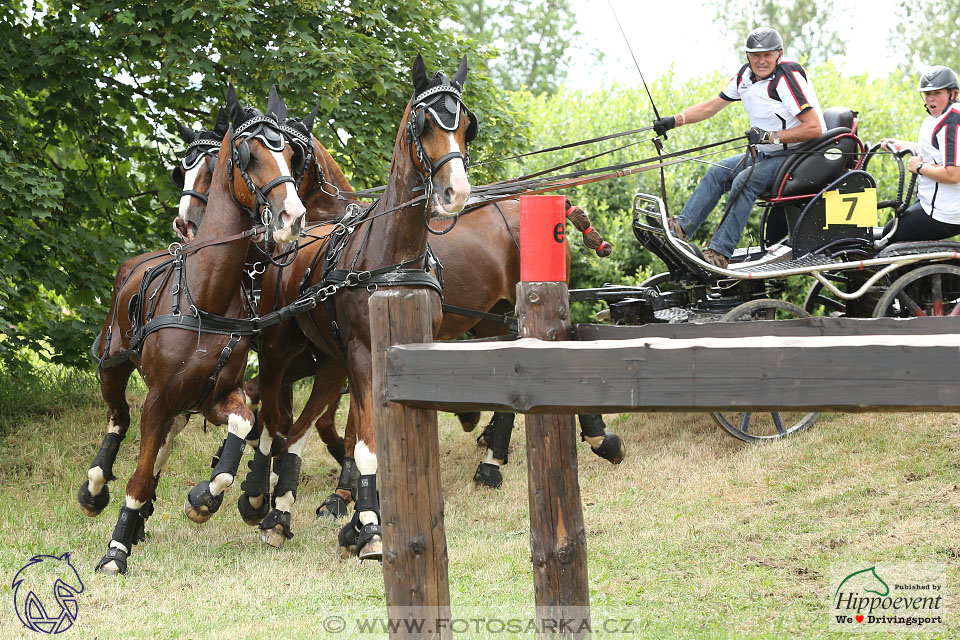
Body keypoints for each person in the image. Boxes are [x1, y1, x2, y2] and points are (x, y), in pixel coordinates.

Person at [653, 27, 825, 268]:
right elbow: (711, 106)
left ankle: (720, 253)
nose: (761, 61)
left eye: (767, 55)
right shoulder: (746, 76)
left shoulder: (787, 77)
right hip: (770, 154)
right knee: (717, 172)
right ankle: (680, 229)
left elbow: (814, 129)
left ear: (779, 54)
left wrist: (769, 136)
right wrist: (674, 120)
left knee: (745, 180)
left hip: (802, 156)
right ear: (747, 56)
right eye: (756, 55)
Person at [878, 66, 960, 243]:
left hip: (944, 212)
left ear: (952, 94)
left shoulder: (952, 123)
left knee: (888, 235)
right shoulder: (939, 117)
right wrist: (901, 145)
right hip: (931, 202)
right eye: (927, 93)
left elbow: (953, 174)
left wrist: (920, 167)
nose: (930, 99)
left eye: (937, 93)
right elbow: (936, 151)